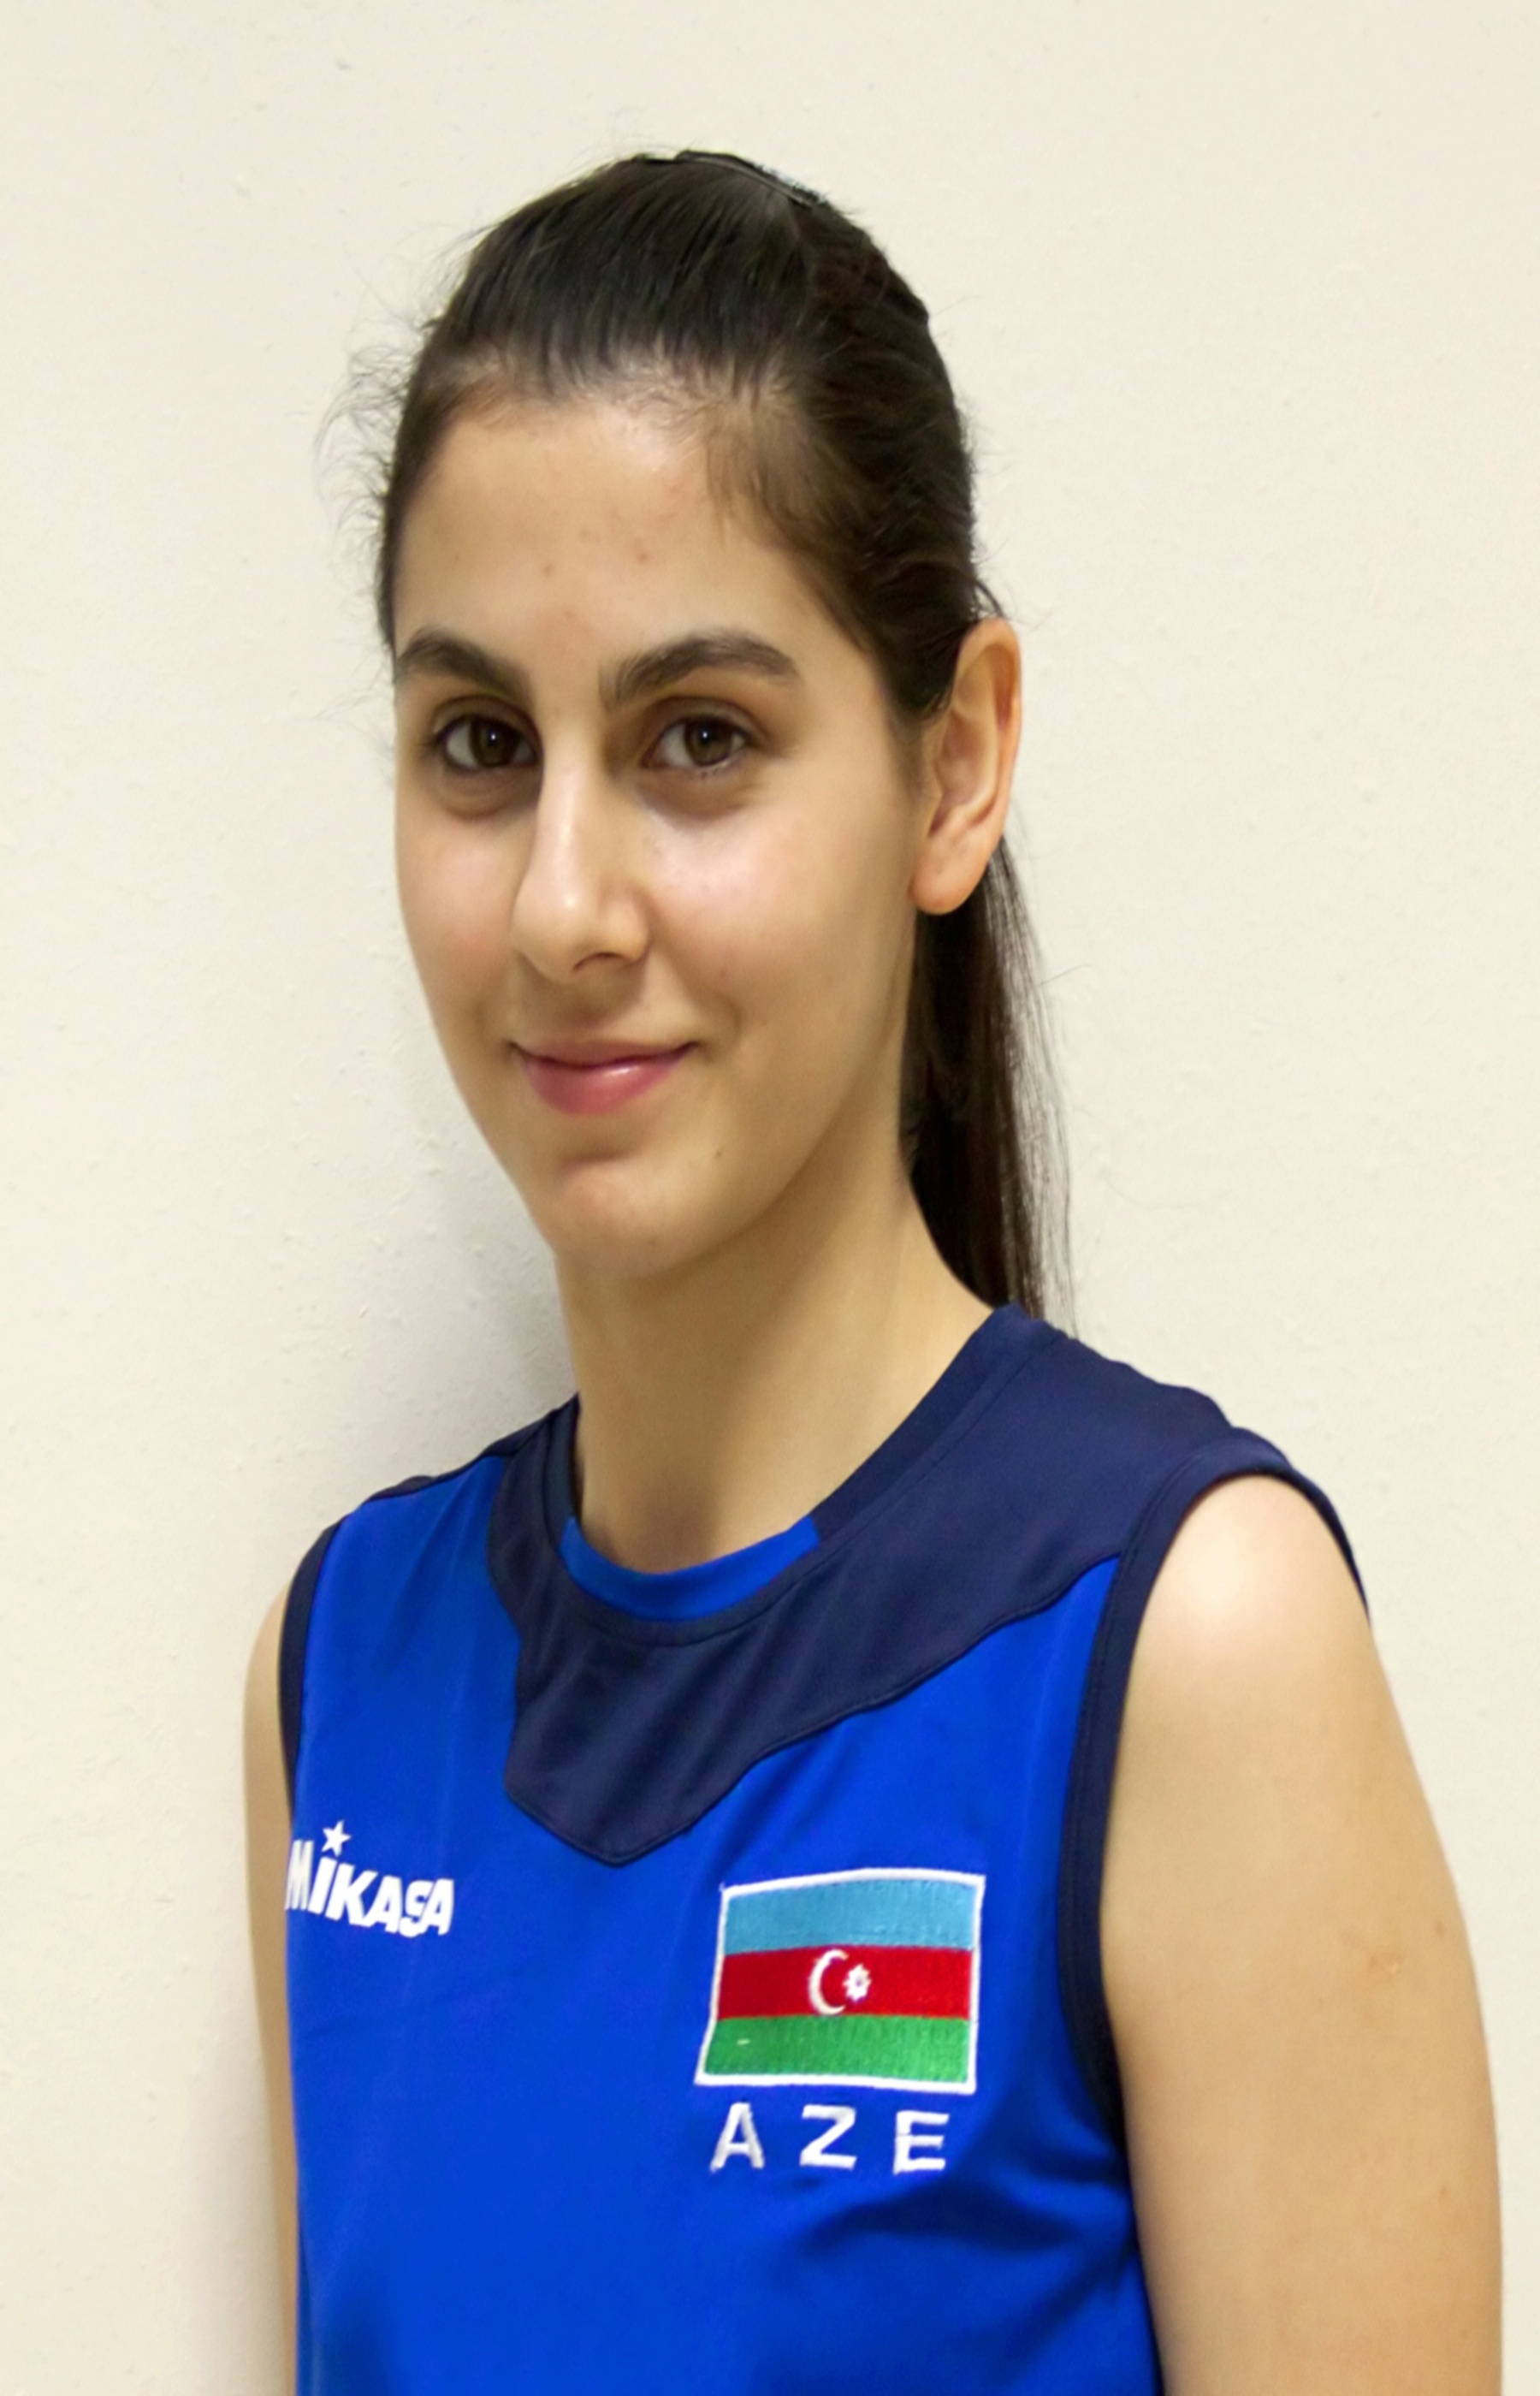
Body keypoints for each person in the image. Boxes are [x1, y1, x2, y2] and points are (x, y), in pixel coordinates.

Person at [244, 151, 1500, 2393]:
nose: (563, 907)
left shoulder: (1187, 1646)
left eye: (699, 740)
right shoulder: (338, 1669)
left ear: (955, 766)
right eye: (480, 746)